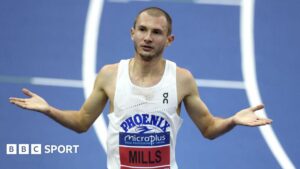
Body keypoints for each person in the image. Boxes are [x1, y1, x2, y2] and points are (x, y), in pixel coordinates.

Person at [9, 7, 272, 169]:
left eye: (156, 32)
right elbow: (81, 122)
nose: (148, 37)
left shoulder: (182, 79)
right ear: (132, 33)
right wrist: (48, 110)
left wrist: (233, 121)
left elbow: (208, 129)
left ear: (169, 40)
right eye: (142, 30)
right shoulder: (110, 75)